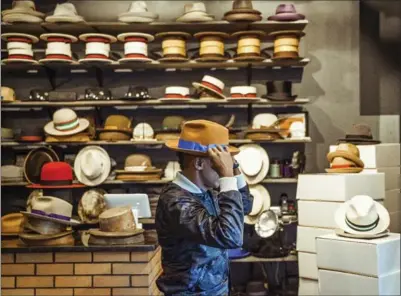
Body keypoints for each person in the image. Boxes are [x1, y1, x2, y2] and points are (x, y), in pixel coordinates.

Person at [156, 119, 254, 296]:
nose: (224, 168)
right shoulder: (176, 201)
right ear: (199, 164)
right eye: (218, 163)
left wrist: (234, 168)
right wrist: (226, 176)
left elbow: (245, 206)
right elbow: (231, 236)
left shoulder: (208, 191)